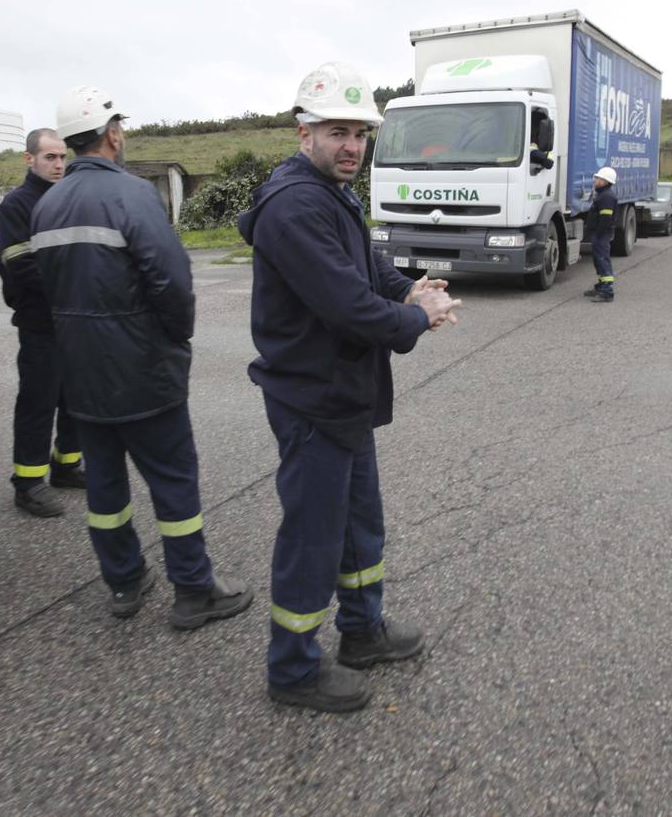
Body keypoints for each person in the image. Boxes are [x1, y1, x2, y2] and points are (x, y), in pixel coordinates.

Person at [237, 62, 461, 713]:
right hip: (311, 396)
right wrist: (415, 317)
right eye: (336, 131)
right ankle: (292, 669)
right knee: (313, 534)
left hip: (343, 393)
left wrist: (410, 289)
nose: (351, 147)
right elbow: (348, 306)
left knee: (360, 524)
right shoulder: (294, 205)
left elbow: (368, 272)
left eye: (360, 134)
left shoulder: (333, 194)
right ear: (301, 132)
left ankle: (361, 631)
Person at [31, 85, 253, 628]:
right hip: (143, 371)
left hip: (81, 376)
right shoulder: (132, 196)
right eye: (120, 128)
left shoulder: (46, 205)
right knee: (173, 482)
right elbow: (171, 283)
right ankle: (194, 590)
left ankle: (125, 584)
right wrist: (176, 341)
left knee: (105, 488)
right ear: (111, 134)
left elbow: (44, 289)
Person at [0, 128, 85, 518]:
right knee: (38, 402)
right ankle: (28, 484)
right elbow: (21, 266)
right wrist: (74, 285)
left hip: (74, 320)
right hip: (40, 322)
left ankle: (66, 465)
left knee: (76, 399)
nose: (59, 164)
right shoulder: (17, 205)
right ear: (29, 159)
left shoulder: (68, 198)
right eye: (50, 157)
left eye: (62, 157)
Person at [585, 166, 618, 302]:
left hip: (602, 234)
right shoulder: (603, 194)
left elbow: (605, 219)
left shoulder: (606, 197)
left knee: (603, 260)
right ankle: (601, 285)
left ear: (605, 181)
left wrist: (598, 235)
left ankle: (607, 291)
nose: (596, 180)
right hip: (599, 234)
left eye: (598, 178)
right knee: (598, 260)